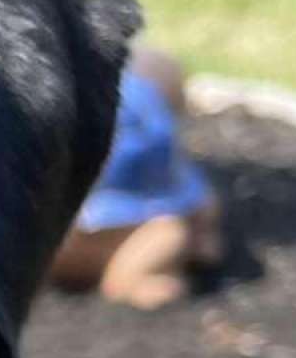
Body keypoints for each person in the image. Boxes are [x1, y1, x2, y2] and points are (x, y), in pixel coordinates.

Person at [49, 46, 220, 309]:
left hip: (49, 230)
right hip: (140, 225)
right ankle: (134, 278)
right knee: (173, 229)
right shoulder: (141, 94)